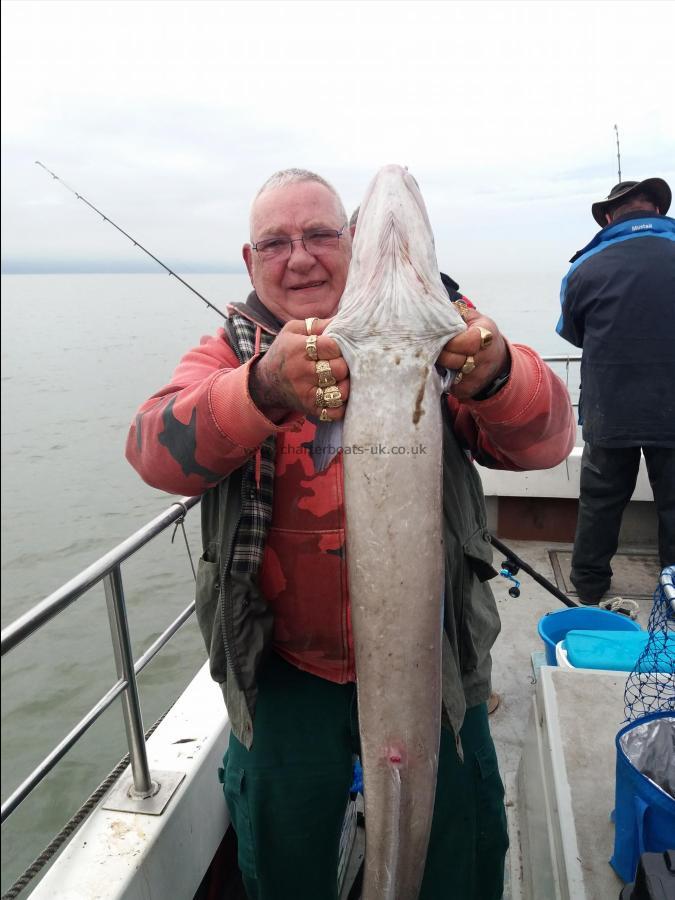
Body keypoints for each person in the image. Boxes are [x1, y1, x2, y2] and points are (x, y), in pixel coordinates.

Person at [126, 168, 575, 900]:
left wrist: (497, 376)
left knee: (459, 853)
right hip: (284, 667)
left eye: (319, 235)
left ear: (354, 243)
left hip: (436, 663)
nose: (299, 257)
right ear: (250, 261)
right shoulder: (229, 352)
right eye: (276, 242)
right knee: (280, 856)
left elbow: (547, 442)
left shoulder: (448, 333)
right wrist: (262, 387)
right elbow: (152, 449)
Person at [557, 178, 675, 605]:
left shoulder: (584, 267)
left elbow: (572, 332)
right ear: (658, 210)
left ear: (608, 217)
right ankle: (673, 591)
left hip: (611, 408)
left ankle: (588, 589)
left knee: (601, 504)